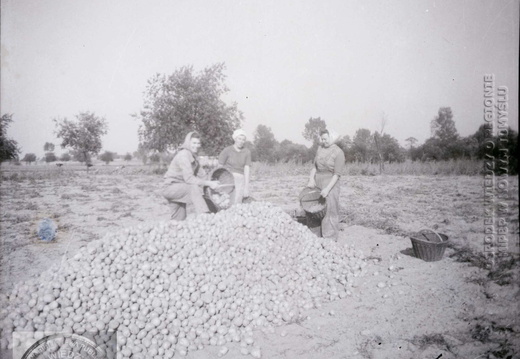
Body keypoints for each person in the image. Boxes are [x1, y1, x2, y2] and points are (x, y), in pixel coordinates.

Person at [162, 131, 219, 220]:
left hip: (181, 188)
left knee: (179, 220)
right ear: (188, 143)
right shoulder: (184, 155)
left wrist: (213, 182)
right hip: (171, 187)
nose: (196, 145)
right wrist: (208, 183)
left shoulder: (194, 157)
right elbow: (189, 179)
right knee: (192, 187)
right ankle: (205, 216)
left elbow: (202, 175)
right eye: (194, 143)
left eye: (198, 143)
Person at [307, 129, 345, 240]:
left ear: (331, 138)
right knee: (315, 209)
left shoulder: (339, 152)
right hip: (318, 181)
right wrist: (311, 179)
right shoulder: (320, 149)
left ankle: (330, 240)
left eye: (325, 139)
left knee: (329, 210)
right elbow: (314, 167)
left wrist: (327, 189)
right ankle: (315, 238)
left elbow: (337, 174)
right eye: (322, 139)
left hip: (330, 183)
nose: (323, 141)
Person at [218, 129, 252, 204]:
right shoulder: (227, 150)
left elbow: (247, 169)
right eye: (239, 139)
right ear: (235, 139)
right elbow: (219, 167)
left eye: (243, 140)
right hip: (228, 178)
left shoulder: (247, 152)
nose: (241, 141)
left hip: (240, 178)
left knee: (236, 202)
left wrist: (246, 187)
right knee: (225, 201)